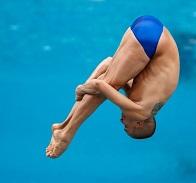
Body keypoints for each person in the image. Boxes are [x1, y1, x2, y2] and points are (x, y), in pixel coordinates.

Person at [46, 15, 180, 158]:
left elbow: (108, 63)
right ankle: (66, 133)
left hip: (151, 29)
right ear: (139, 124)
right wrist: (82, 89)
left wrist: (88, 87)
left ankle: (63, 126)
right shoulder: (140, 113)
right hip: (152, 40)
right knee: (110, 85)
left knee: (112, 82)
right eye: (126, 127)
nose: (121, 121)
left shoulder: (144, 98)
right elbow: (100, 85)